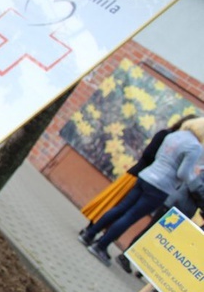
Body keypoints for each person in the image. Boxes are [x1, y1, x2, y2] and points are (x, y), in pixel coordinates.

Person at [79, 117, 204, 266]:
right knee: (131, 216)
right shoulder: (195, 147)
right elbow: (183, 173)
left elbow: (158, 157)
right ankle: (100, 246)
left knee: (121, 208)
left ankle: (89, 234)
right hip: (161, 186)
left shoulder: (174, 135)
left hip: (146, 176)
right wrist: (192, 179)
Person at [116, 172, 204, 273]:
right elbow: (195, 186)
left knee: (160, 238)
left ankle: (142, 266)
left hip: (181, 211)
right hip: (175, 207)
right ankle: (125, 255)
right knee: (151, 232)